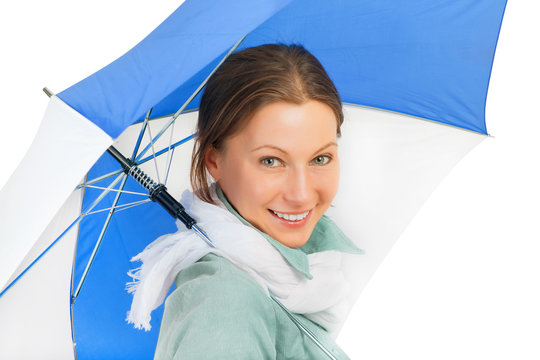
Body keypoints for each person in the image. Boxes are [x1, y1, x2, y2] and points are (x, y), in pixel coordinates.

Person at [126, 44, 364, 359]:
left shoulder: (292, 281)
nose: (302, 194)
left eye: (320, 158)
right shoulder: (225, 301)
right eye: (271, 161)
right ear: (214, 160)